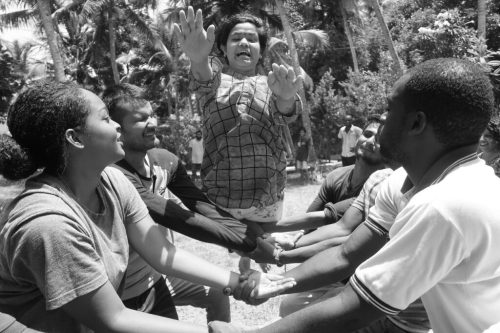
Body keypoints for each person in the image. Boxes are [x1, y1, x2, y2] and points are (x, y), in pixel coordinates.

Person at [210, 58, 500, 333]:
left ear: (416, 123)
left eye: (390, 107)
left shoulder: (445, 205)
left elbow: (357, 306)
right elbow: (347, 252)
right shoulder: (404, 182)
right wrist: (277, 280)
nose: (381, 118)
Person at [0, 80, 295, 333]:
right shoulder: (49, 223)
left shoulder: (112, 181)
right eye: (104, 119)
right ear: (75, 138)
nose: (117, 125)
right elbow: (113, 318)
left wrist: (237, 281)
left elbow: (163, 256)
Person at [102, 83, 275, 322]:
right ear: (118, 129)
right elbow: (176, 217)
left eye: (152, 115)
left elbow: (202, 207)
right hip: (125, 288)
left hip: (156, 275)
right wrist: (252, 246)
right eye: (140, 119)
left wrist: (256, 238)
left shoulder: (164, 161)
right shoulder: (115, 175)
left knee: (216, 293)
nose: (152, 123)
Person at [174, 7, 302, 272]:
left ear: (261, 49)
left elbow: (289, 113)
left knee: (263, 248)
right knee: (244, 252)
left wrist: (287, 97)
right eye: (235, 38)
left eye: (252, 39)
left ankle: (259, 258)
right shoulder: (213, 81)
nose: (244, 43)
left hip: (266, 192)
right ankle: (250, 261)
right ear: (222, 46)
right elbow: (202, 79)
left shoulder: (272, 82)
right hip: (223, 194)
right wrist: (198, 59)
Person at [305, 115, 385, 222]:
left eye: (379, 140)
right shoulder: (335, 176)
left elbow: (342, 227)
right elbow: (310, 219)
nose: (370, 141)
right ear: (358, 139)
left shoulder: (381, 190)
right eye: (367, 134)